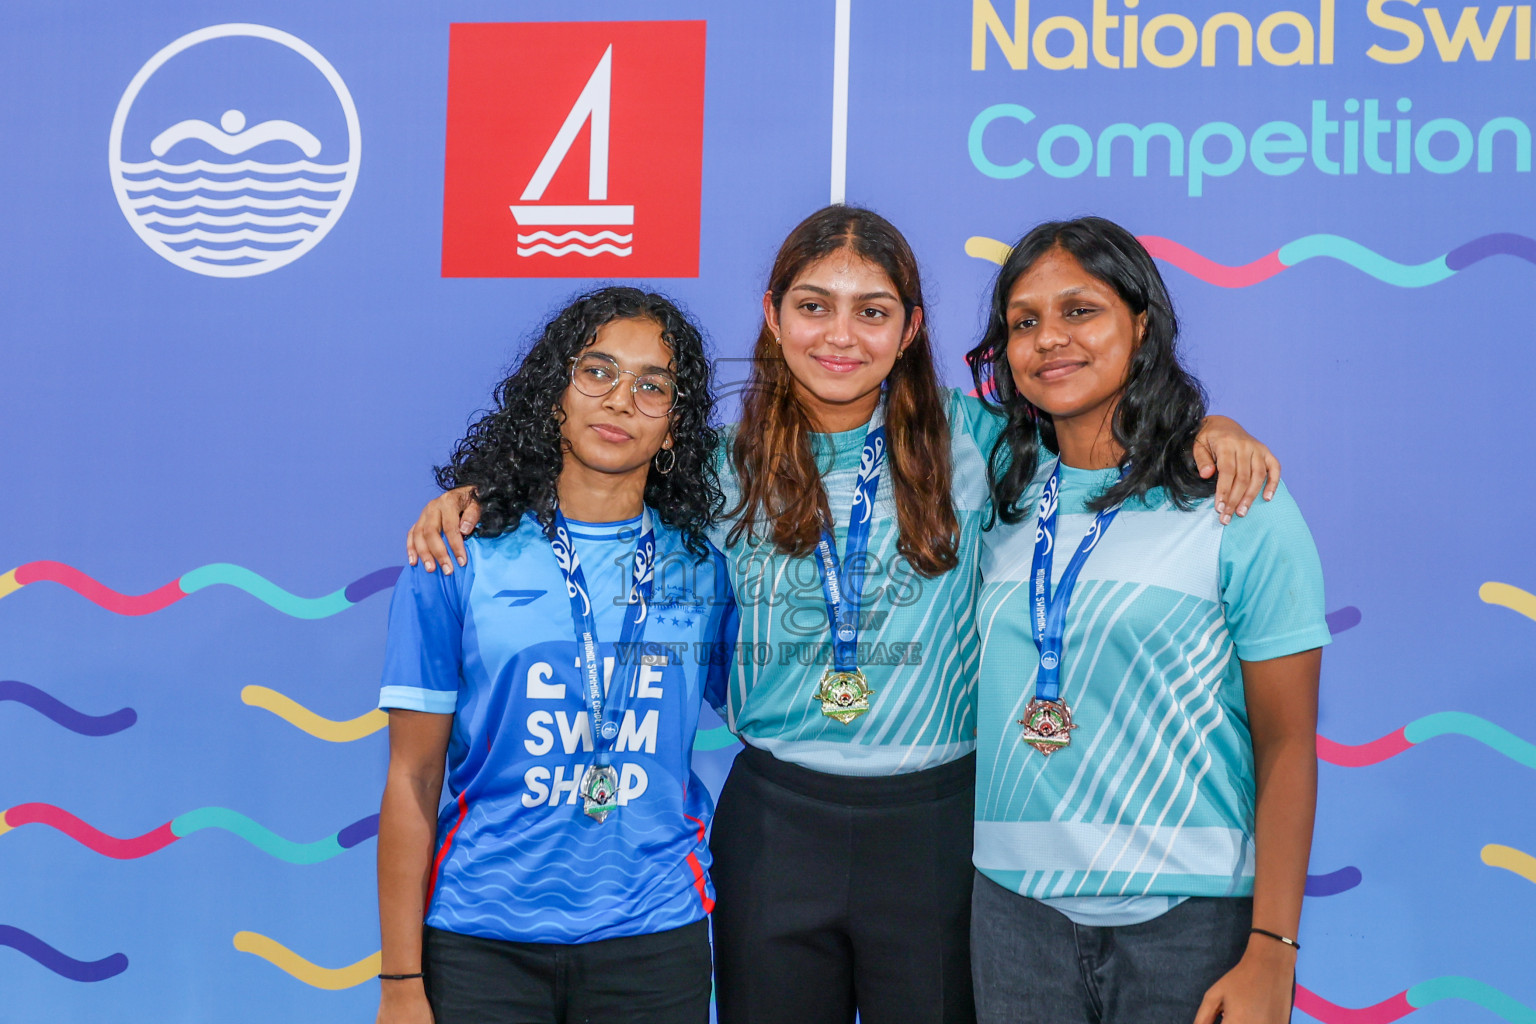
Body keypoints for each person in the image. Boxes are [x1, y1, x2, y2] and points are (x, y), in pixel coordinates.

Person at [406, 206, 1282, 1024]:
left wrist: (1216, 430)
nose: (839, 335)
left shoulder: (980, 442)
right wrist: (479, 501)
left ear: (909, 330)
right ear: (773, 315)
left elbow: (1106, 445)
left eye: (872, 312)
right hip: (777, 824)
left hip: (937, 824)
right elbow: (597, 510)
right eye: (814, 305)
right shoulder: (717, 469)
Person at [963, 217, 1329, 1024]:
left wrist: (1273, 946)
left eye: (1079, 311)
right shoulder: (995, 498)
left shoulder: (1237, 502)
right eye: (1024, 322)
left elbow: (1288, 743)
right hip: (1013, 915)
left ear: (1143, 323)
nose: (1049, 339)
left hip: (1191, 923)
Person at [375, 286, 737, 1024]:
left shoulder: (707, 565)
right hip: (482, 941)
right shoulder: (456, 554)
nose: (620, 401)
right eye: (596, 372)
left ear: (673, 429)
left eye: (652, 386)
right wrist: (400, 982)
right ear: (554, 398)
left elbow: (768, 711)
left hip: (654, 938)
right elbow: (412, 777)